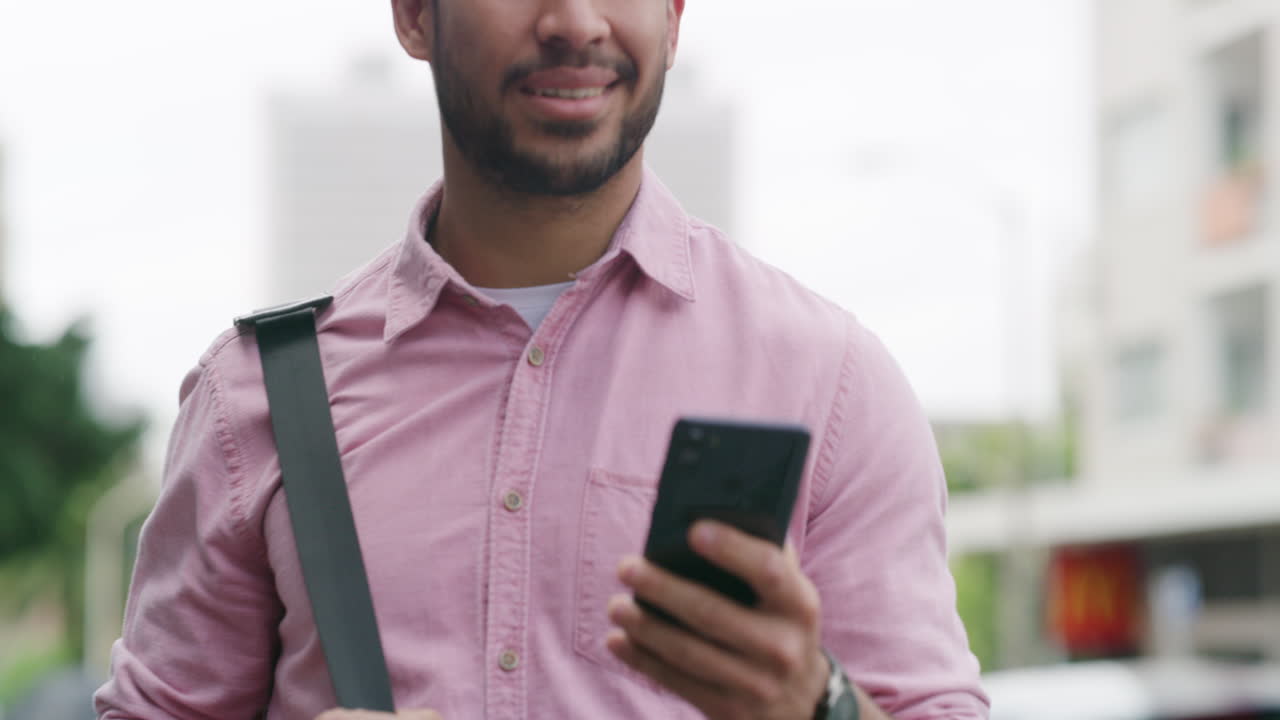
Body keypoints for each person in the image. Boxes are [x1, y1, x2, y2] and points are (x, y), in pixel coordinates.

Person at [95, 0, 990, 718]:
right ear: (413, 15)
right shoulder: (254, 395)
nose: (575, 20)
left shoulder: (830, 382)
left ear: (675, 17)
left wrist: (818, 707)